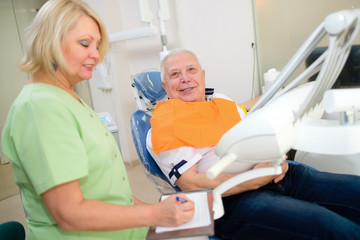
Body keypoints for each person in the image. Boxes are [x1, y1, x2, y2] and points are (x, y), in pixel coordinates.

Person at [0, 1, 194, 240]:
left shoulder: (69, 98)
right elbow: (69, 213)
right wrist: (156, 215)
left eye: (97, 45)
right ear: (50, 43)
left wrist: (158, 215)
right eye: (85, 43)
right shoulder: (39, 107)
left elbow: (108, 192)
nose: (95, 54)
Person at [146, 48, 360, 240]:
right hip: (233, 200)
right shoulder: (164, 125)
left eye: (191, 70)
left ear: (202, 75)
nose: (185, 78)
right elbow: (191, 184)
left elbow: (260, 135)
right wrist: (254, 180)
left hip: (281, 174)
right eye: (175, 74)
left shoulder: (223, 101)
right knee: (329, 227)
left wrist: (279, 157)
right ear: (165, 85)